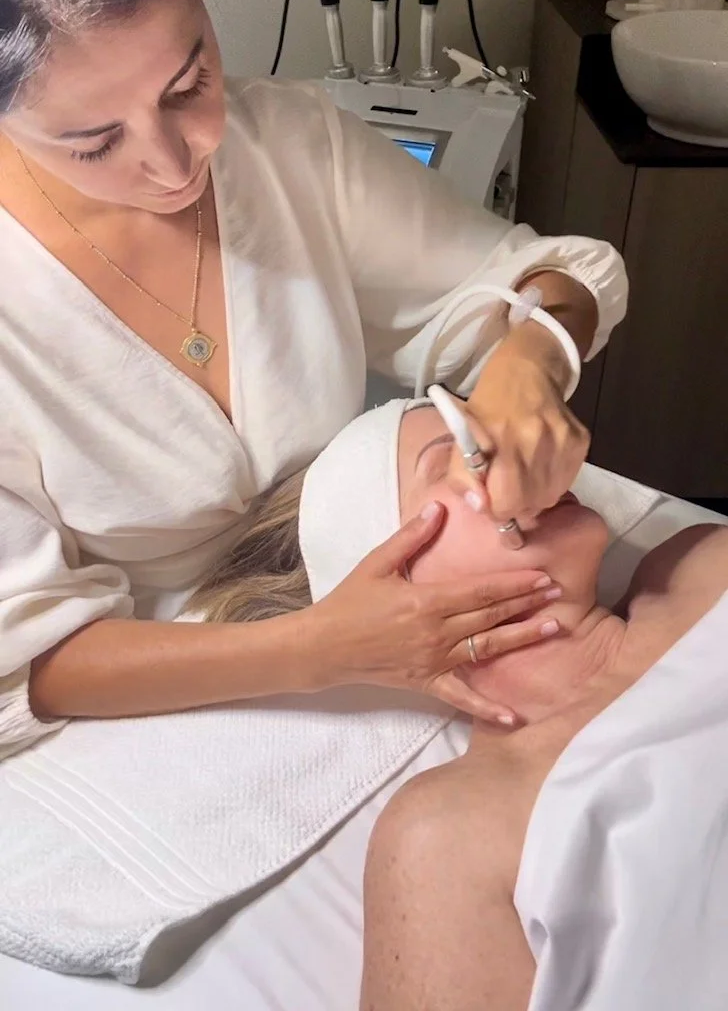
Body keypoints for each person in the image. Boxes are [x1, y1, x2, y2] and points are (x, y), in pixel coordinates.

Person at [0, 0, 627, 761]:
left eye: (185, 81)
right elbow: (25, 662)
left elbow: (555, 273)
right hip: (141, 718)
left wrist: (526, 357)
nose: (171, 164)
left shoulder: (287, 145)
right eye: (92, 141)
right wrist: (316, 650)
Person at [186, 396, 724, 1011]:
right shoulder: (448, 839)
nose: (514, 459)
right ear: (395, 588)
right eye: (459, 458)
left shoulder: (701, 562)